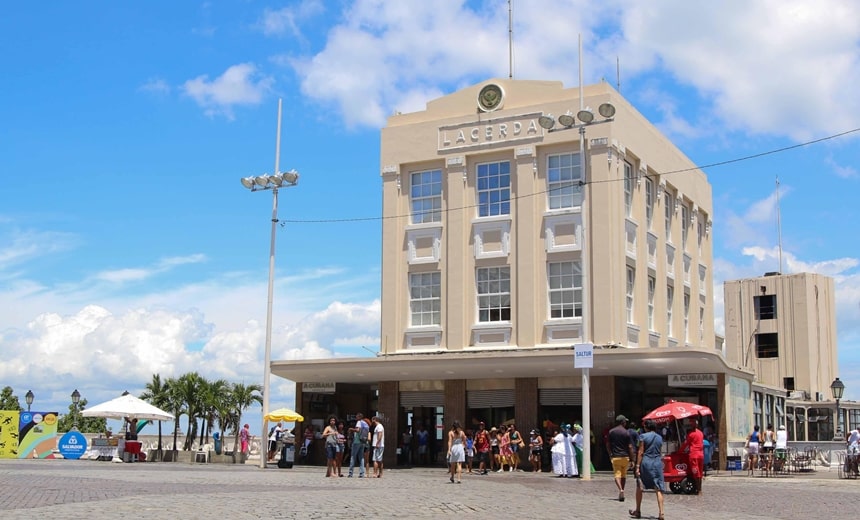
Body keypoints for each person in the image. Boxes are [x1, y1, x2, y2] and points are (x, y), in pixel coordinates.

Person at [628, 419, 665, 520]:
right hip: (657, 463)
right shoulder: (659, 438)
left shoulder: (643, 436)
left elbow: (640, 452)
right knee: (658, 488)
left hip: (646, 463)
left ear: (646, 427)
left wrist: (637, 466)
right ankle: (661, 513)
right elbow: (660, 452)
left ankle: (638, 510)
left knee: (640, 485)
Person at [607, 415, 635, 502]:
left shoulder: (611, 432)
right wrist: (632, 459)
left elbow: (607, 444)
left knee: (617, 474)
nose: (626, 423)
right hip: (625, 457)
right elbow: (630, 447)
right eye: (625, 422)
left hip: (615, 457)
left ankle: (620, 490)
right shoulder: (626, 433)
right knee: (623, 475)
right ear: (623, 422)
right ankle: (622, 489)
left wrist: (610, 454)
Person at [679, 420, 704, 494]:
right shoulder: (701, 433)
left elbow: (685, 444)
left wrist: (679, 451)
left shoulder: (691, 434)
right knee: (700, 472)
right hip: (701, 455)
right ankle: (700, 489)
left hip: (694, 455)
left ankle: (698, 490)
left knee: (696, 472)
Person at [348, 413, 369, 477]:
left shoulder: (359, 422)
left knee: (353, 457)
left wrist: (351, 429)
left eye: (356, 416)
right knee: (361, 458)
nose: (356, 418)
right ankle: (362, 473)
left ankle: (350, 473)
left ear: (359, 417)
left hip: (357, 441)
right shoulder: (365, 423)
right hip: (363, 442)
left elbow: (357, 430)